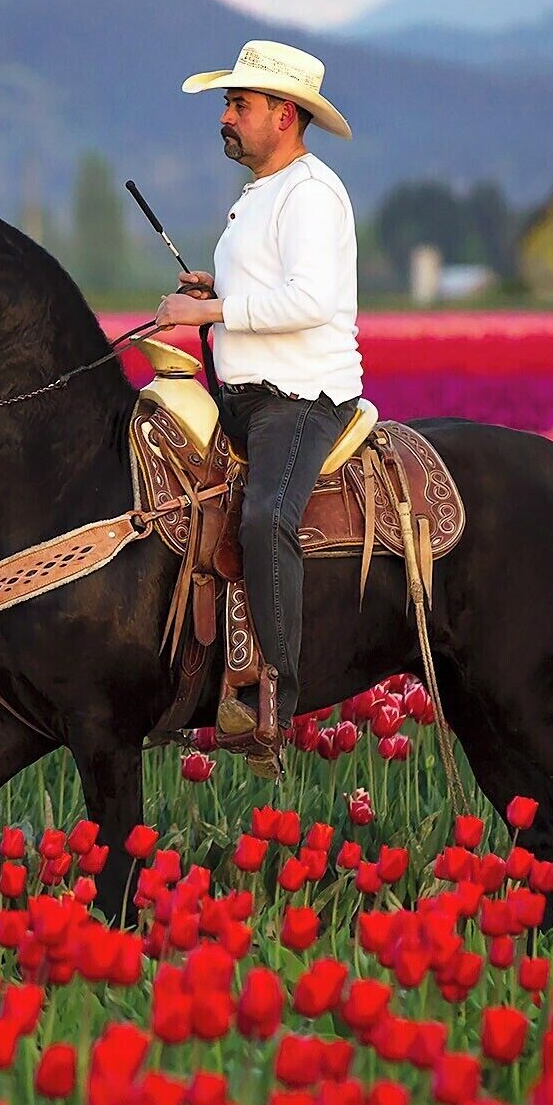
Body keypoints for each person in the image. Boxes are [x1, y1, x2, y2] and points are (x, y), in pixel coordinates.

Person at [153, 40, 363, 756]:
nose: (226, 115)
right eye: (227, 102)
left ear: (284, 115)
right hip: (243, 398)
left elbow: (309, 300)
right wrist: (219, 295)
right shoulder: (261, 196)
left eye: (238, 104)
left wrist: (209, 315)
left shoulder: (311, 193)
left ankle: (273, 697)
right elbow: (267, 291)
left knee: (269, 513)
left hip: (300, 399)